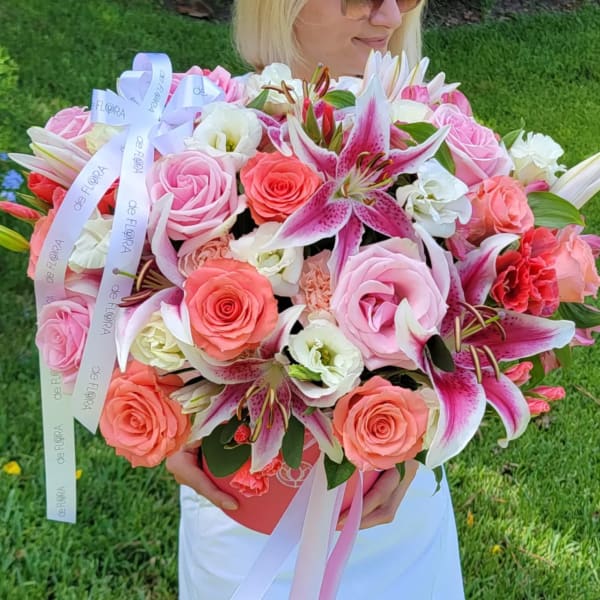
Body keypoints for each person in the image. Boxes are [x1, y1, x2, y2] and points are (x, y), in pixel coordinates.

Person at [166, 1, 465, 598]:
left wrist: (415, 444)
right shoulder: (200, 128)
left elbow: (468, 326)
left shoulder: (427, 127)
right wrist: (166, 421)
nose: (389, 16)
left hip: (391, 518)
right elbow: (115, 309)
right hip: (241, 512)